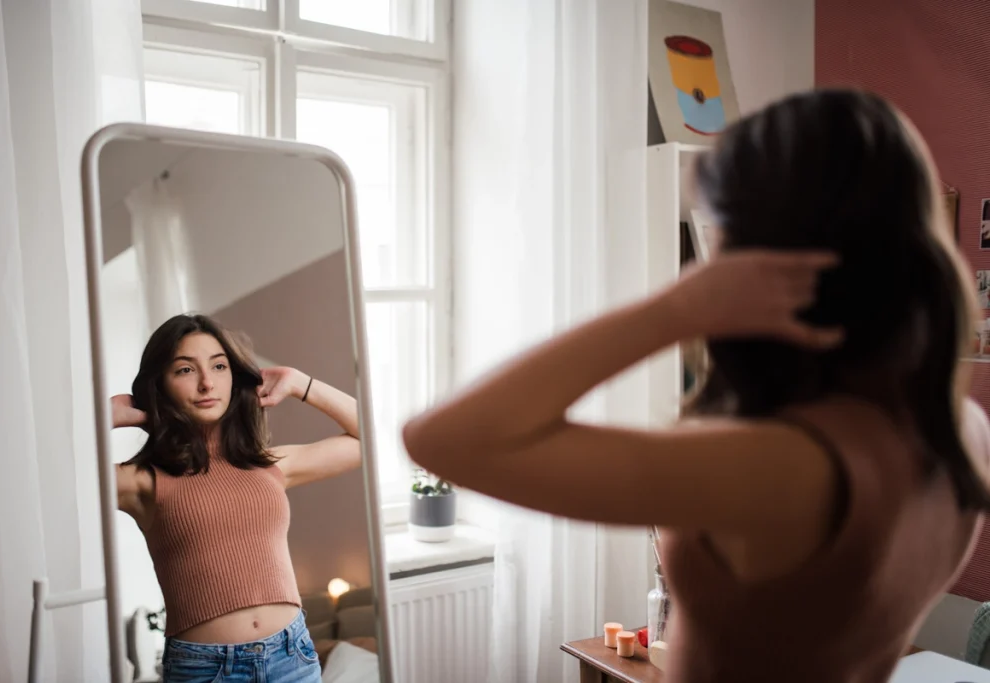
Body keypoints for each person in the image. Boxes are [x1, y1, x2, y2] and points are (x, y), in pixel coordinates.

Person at [401, 89, 990, 683]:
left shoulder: (781, 465)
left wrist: (677, 308)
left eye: (723, 224)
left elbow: (442, 440)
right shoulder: (960, 431)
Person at [113, 313, 361, 683]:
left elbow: (368, 438)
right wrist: (102, 416)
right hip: (204, 669)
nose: (207, 383)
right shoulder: (141, 480)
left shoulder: (269, 465)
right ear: (159, 384)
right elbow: (56, 485)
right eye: (185, 370)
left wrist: (299, 383)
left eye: (219, 366)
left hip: (291, 658)